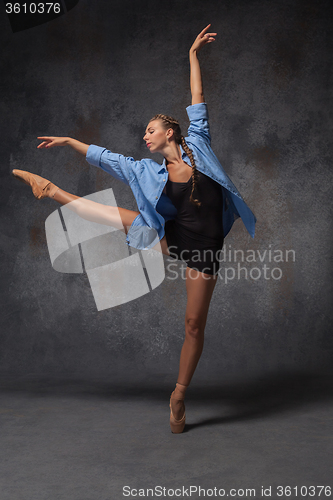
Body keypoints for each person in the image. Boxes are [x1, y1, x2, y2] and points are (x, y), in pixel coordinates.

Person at [12, 25, 256, 433]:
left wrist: (192, 54)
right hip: (173, 236)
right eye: (144, 132)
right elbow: (105, 156)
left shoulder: (200, 143)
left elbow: (198, 98)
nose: (144, 136)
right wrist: (72, 140)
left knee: (194, 324)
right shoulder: (144, 169)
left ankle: (179, 395)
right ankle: (51, 189)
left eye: (150, 130)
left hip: (205, 249)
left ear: (170, 133)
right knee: (117, 216)